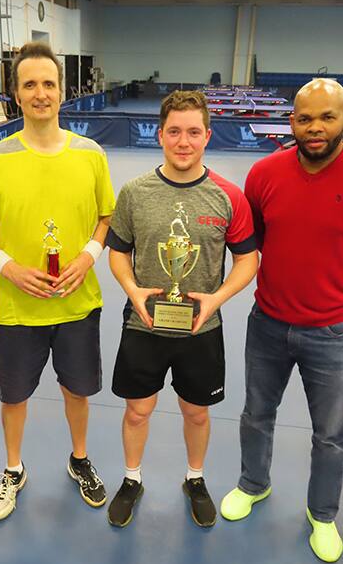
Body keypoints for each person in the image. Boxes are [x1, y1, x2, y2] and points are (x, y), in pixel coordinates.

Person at [219, 78, 343, 562]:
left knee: (331, 434)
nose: (315, 127)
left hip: (334, 334)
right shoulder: (263, 175)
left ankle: (322, 514)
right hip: (268, 324)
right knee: (256, 415)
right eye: (305, 118)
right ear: (292, 122)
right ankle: (253, 483)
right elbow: (251, 242)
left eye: (326, 117)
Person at [0, 41, 115, 521]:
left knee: (78, 391)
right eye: (30, 84)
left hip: (77, 302)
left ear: (62, 91)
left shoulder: (90, 155)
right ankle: (13, 469)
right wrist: (7, 266)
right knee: (14, 397)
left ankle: (79, 459)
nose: (40, 92)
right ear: (15, 94)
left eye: (48, 83)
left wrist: (88, 257)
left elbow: (106, 218)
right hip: (16, 307)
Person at [105, 90, 258, 528]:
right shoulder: (135, 193)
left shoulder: (228, 196)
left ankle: (195, 478)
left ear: (208, 136)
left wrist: (217, 298)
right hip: (143, 325)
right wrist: (132, 290)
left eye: (193, 132)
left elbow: (248, 259)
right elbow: (117, 252)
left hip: (200, 332)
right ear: (160, 135)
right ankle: (132, 479)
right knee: (137, 411)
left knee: (196, 411)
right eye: (175, 131)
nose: (183, 141)